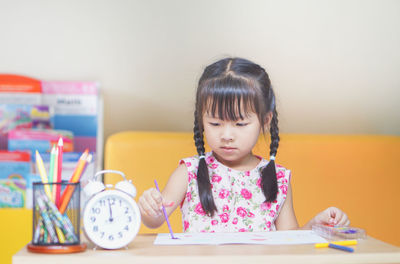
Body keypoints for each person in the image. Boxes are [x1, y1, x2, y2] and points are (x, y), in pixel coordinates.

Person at [138, 57, 350, 232]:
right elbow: (155, 220)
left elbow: (289, 242)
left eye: (240, 123)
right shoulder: (188, 172)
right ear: (201, 119)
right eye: (215, 123)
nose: (227, 135)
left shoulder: (277, 178)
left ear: (265, 121)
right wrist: (150, 208)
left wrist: (316, 226)